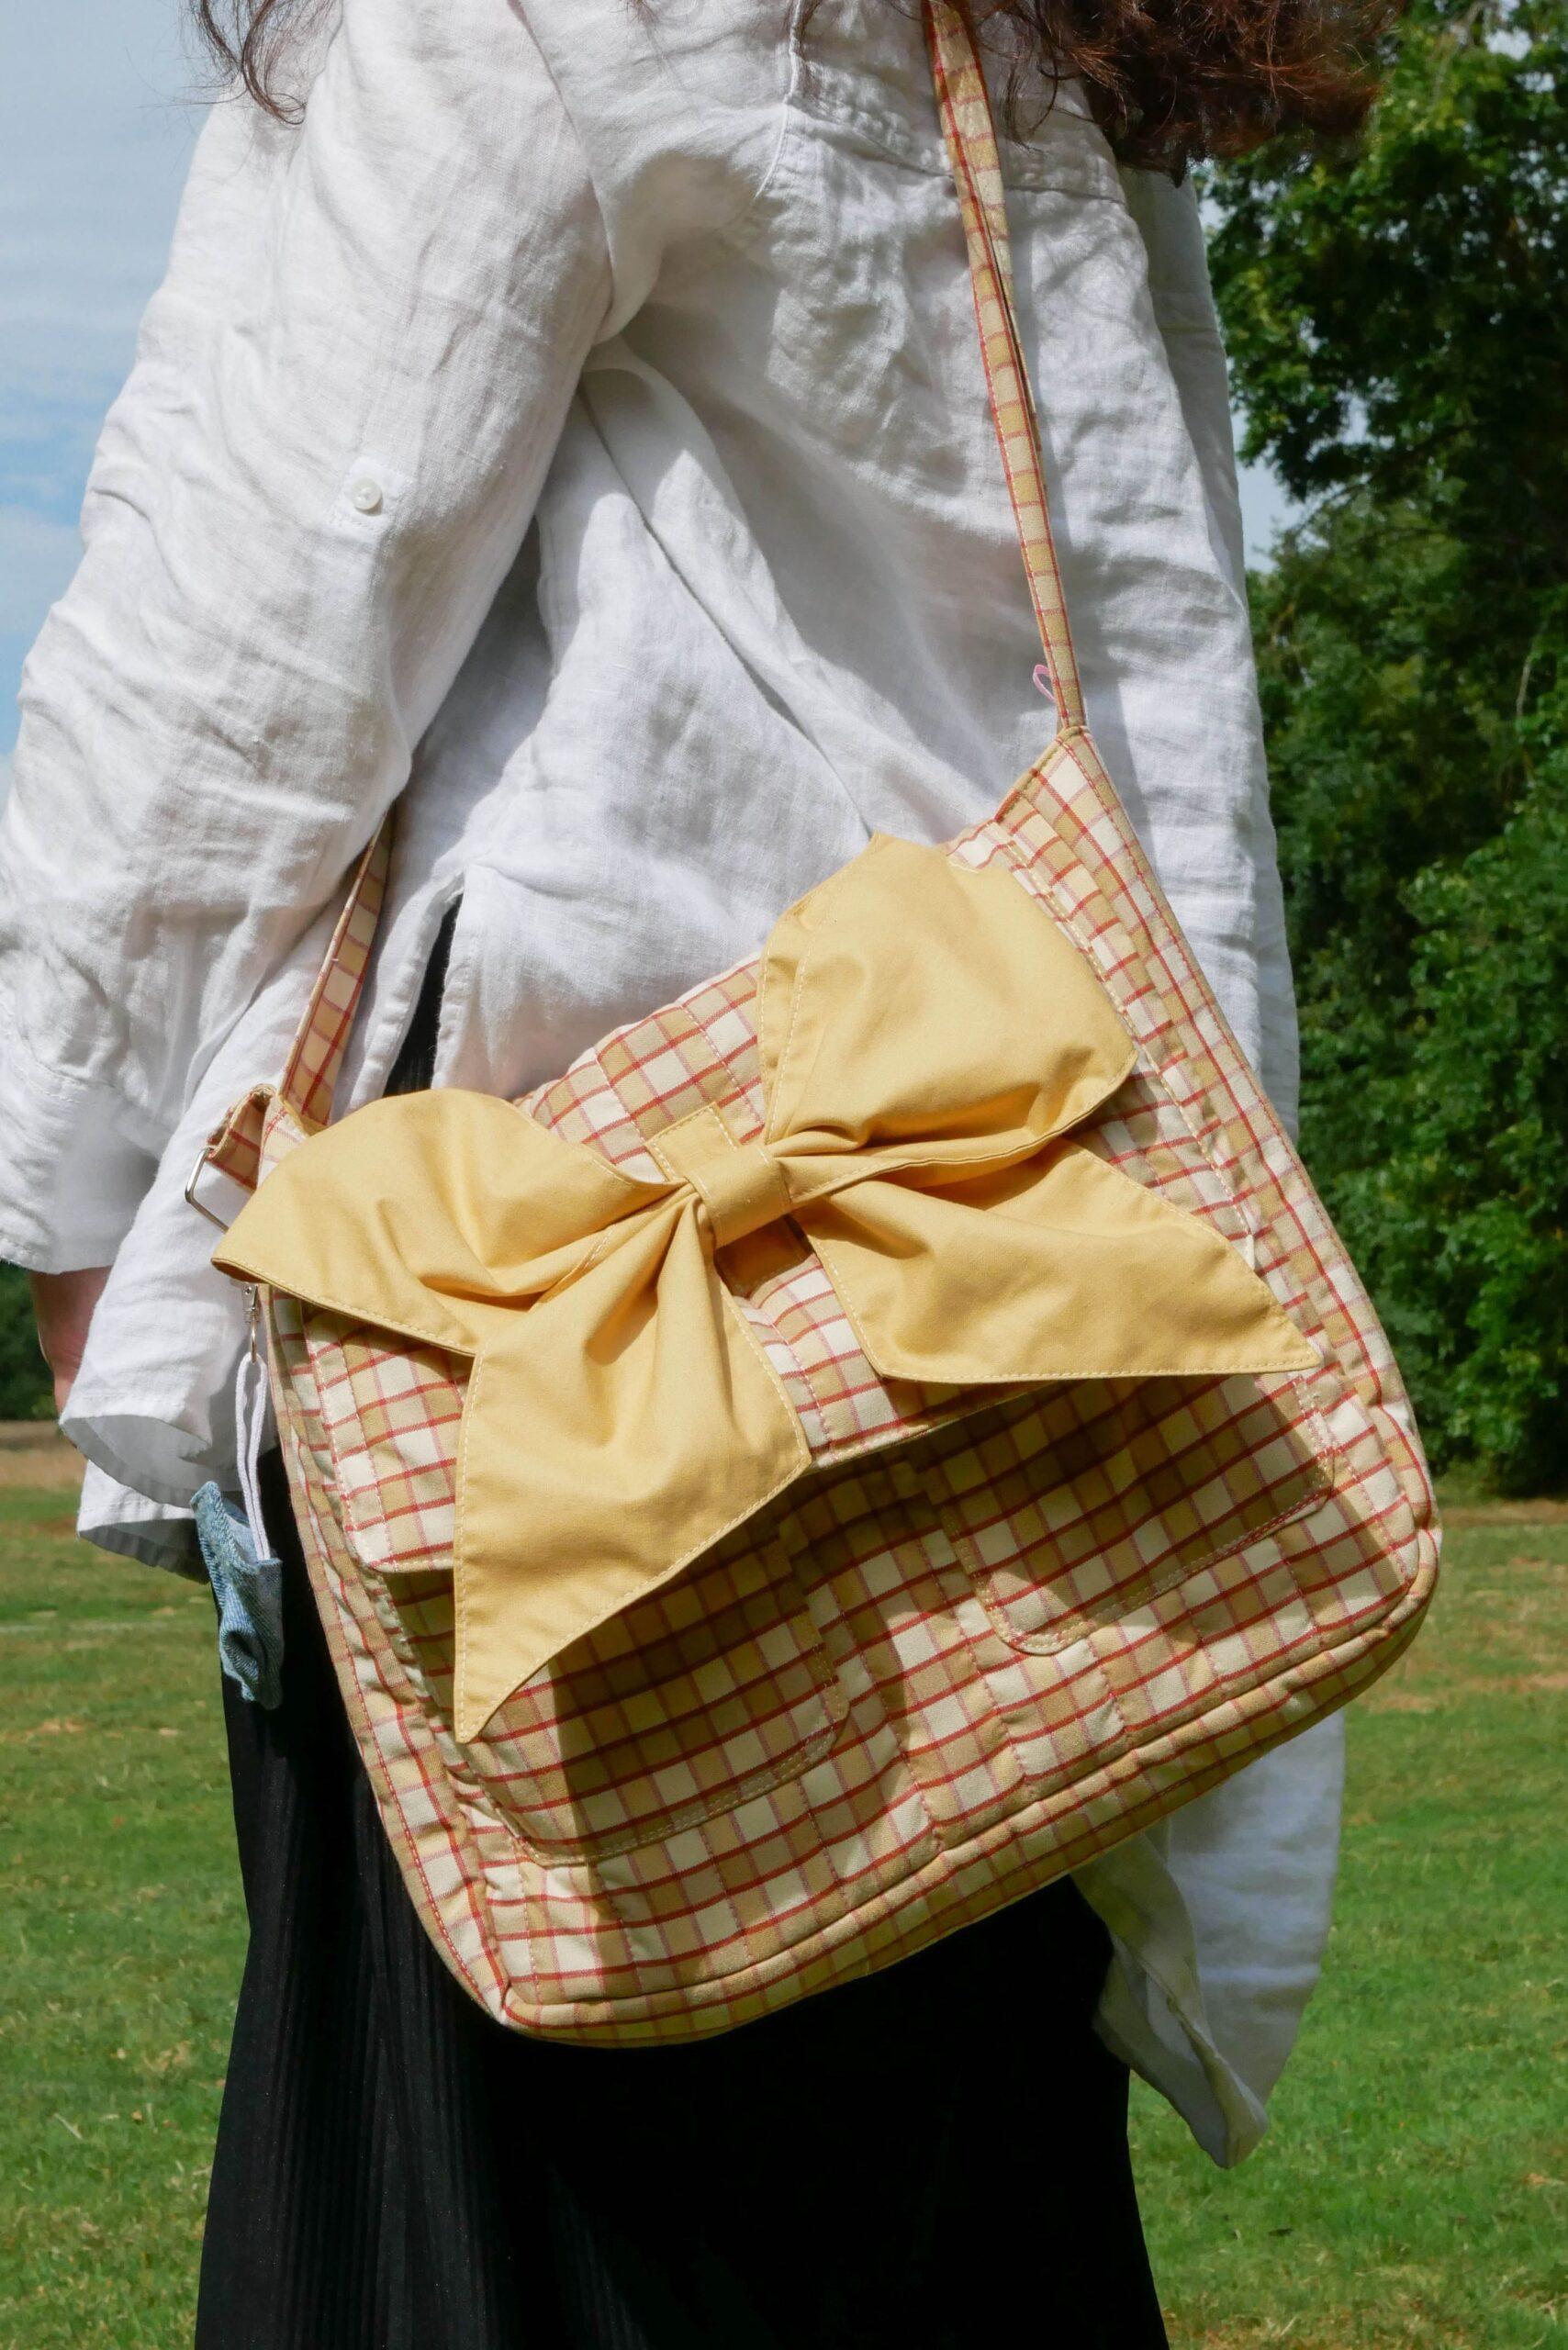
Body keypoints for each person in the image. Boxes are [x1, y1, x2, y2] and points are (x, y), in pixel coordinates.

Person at [0, 1, 1383, 2341]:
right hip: (990, 1319)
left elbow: (263, 609)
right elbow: (1145, 672)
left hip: (540, 1347)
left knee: (502, 2217)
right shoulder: (1028, 46)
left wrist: (71, 1205)